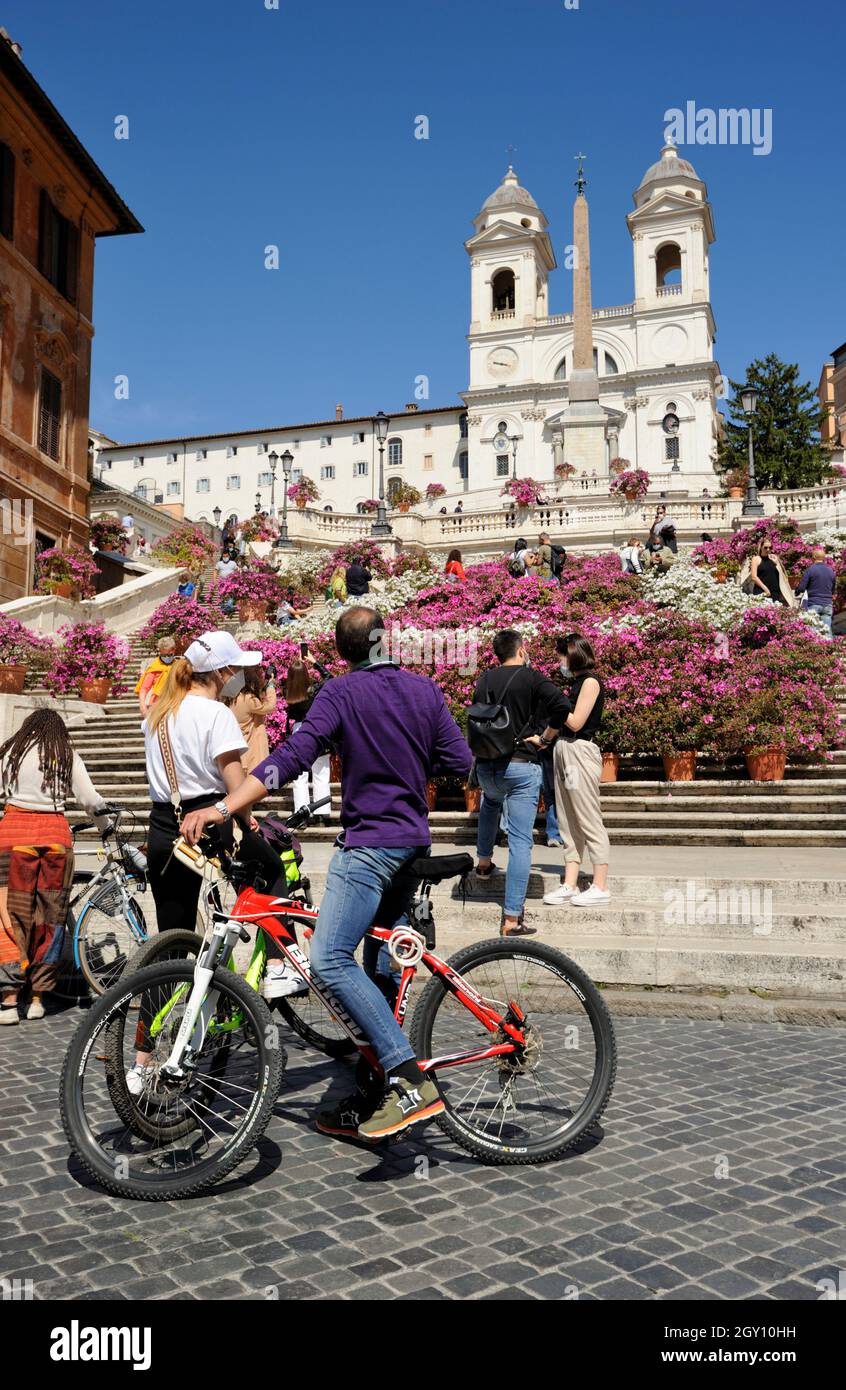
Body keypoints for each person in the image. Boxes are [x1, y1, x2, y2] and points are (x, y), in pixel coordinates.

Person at [180, 606, 473, 1143]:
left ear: (342, 652)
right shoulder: (425, 690)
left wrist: (224, 809)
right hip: (411, 841)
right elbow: (458, 760)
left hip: (369, 848)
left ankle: (409, 1083)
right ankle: (372, 1089)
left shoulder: (339, 694)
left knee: (329, 958)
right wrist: (406, 761)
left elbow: (288, 759)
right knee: (381, 966)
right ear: (387, 640)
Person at [0, 711, 109, 1024]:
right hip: (55, 838)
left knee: (9, 915)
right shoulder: (65, 753)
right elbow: (89, 799)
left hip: (12, 836)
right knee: (49, 917)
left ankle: (9, 1001)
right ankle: (37, 998)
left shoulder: (12, 752)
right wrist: (105, 826)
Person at [472, 630, 572, 935]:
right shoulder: (531, 677)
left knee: (490, 803)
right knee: (519, 841)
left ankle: (484, 863)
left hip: (487, 766)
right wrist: (545, 738)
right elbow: (562, 707)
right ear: (521, 649)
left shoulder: (484, 679)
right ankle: (512, 918)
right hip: (520, 766)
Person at [537, 633, 610, 908]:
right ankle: (569, 882)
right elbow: (560, 721)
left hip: (580, 751)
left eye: (561, 656)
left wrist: (556, 700)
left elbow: (577, 722)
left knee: (588, 817)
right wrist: (544, 739)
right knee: (567, 819)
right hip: (564, 749)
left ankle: (600, 884)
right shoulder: (576, 684)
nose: (559, 662)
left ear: (572, 655)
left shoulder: (590, 682)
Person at [284, 659, 331, 822]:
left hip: (298, 731)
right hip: (316, 729)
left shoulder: (288, 692)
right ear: (306, 675)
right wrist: (314, 662)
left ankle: (301, 814)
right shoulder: (314, 691)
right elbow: (329, 678)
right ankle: (322, 814)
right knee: (321, 773)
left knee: (300, 776)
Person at [226, 664, 278, 773]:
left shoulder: (229, 697)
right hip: (250, 752)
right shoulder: (248, 698)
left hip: (238, 749)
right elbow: (270, 706)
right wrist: (270, 686)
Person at [796, 548, 835, 636]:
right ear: (824, 558)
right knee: (827, 631)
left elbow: (801, 588)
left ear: (813, 557)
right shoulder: (831, 571)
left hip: (814, 603)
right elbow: (832, 589)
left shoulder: (810, 570)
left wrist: (797, 590)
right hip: (827, 604)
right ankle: (829, 648)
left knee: (813, 633)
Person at [135, 636, 178, 716]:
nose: (167, 657)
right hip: (157, 705)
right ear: (160, 652)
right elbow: (144, 689)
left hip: (175, 705)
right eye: (164, 655)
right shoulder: (154, 667)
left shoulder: (178, 666)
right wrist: (142, 706)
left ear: (174, 650)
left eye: (170, 654)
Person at [747, 539, 794, 606]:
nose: (768, 549)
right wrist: (765, 588)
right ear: (761, 547)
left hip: (775, 591)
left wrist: (776, 563)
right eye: (765, 547)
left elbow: (782, 573)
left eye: (770, 547)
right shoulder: (756, 559)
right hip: (761, 591)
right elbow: (754, 577)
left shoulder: (773, 558)